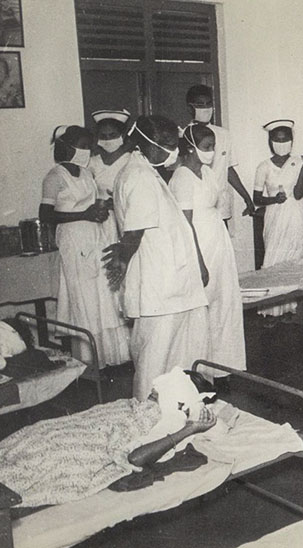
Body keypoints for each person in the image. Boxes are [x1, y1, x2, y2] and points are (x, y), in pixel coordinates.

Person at [0, 367, 218, 507]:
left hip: (75, 450)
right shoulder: (135, 405)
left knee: (34, 462)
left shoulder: (168, 421)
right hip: (59, 431)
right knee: (35, 438)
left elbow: (135, 458)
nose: (155, 389)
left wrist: (190, 429)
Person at [103, 115, 210, 400]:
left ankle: (177, 414)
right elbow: (134, 231)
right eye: (166, 145)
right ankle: (146, 418)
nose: (172, 151)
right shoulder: (138, 176)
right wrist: (123, 256)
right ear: (144, 143)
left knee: (176, 356)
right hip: (160, 285)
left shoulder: (147, 171)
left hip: (171, 283)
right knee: (154, 361)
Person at [39, 125, 131, 367]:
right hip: (72, 237)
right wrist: (83, 214)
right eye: (81, 145)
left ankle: (115, 356)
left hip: (94, 234)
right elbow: (46, 214)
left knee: (103, 293)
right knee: (82, 296)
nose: (86, 150)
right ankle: (90, 360)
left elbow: (93, 203)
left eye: (87, 146)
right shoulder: (54, 177)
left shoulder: (86, 173)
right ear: (67, 147)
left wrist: (103, 207)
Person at [170, 123, 246, 385]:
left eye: (214, 147)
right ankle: (200, 373)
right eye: (207, 147)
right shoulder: (181, 178)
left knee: (224, 303)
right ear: (190, 148)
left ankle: (223, 367)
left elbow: (217, 206)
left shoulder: (208, 173)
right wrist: (198, 262)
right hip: (199, 244)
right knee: (201, 308)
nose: (212, 152)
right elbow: (185, 224)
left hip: (217, 240)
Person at [185, 84, 256, 226]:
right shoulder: (185, 135)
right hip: (197, 206)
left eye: (208, 104)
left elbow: (227, 169)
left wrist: (247, 198)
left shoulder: (223, 134)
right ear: (190, 107)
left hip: (220, 206)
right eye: (200, 104)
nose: (206, 108)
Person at [253, 119, 303, 270]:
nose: (281, 143)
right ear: (270, 141)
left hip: (296, 216)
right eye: (277, 139)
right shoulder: (263, 167)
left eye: (285, 139)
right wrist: (274, 199)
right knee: (273, 259)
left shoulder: (298, 162)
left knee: (296, 258)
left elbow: (298, 195)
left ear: (291, 141)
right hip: (275, 217)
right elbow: (256, 199)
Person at [88, 109, 133, 244]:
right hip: (97, 221)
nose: (108, 140)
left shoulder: (131, 160)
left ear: (122, 135)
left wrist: (117, 202)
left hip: (124, 218)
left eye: (113, 135)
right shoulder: (92, 162)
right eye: (103, 136)